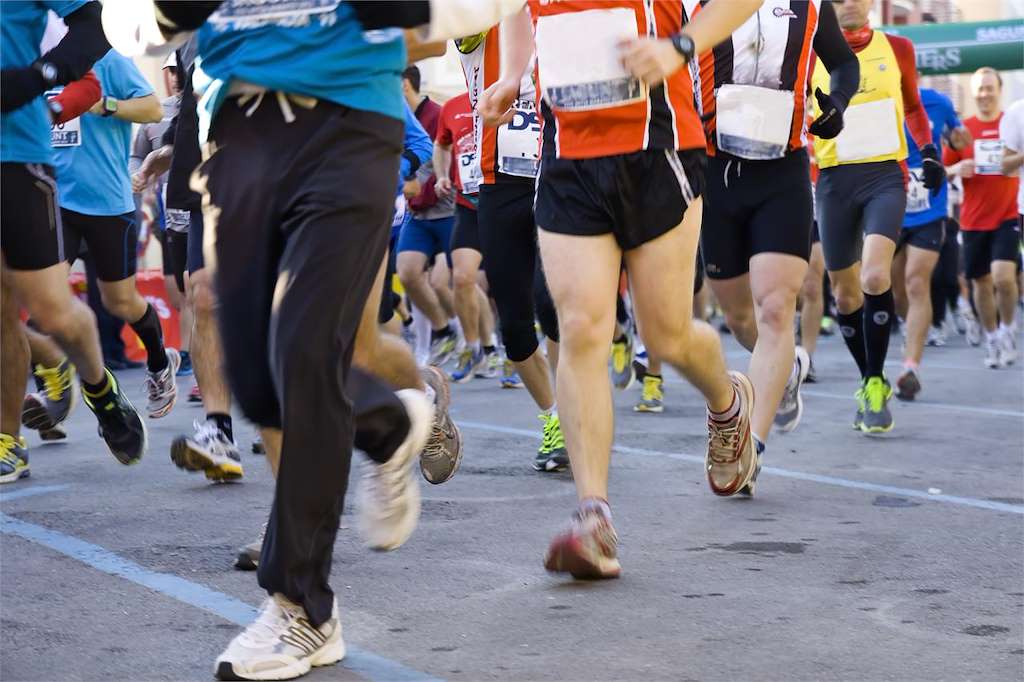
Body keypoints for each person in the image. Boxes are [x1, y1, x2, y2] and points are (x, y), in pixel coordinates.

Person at [480, 0, 763, 579]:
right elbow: (514, 9)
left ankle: (728, 402)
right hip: (568, 158)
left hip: (658, 148)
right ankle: (594, 520)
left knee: (666, 334)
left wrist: (678, 46)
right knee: (582, 327)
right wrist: (512, 74)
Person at [697, 0, 858, 457]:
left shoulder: (810, 5)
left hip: (782, 170)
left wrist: (837, 104)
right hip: (715, 171)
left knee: (774, 310)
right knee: (739, 317)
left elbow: (843, 62)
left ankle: (752, 447)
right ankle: (784, 372)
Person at [2, 0, 147, 479]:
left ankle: (98, 386)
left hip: (17, 157)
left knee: (51, 310)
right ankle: (9, 440)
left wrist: (36, 84)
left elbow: (89, 44)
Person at [811, 0, 942, 434]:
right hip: (832, 181)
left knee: (873, 277)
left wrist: (928, 151)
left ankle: (873, 381)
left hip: (885, 176)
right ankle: (870, 376)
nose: (849, 3)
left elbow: (913, 108)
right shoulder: (809, 50)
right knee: (845, 295)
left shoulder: (898, 47)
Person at [456, 26, 568, 472]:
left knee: (552, 301)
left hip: (555, 174)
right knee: (516, 329)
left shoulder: (553, 15)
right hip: (497, 184)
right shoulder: (480, 24)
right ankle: (553, 416)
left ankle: (576, 413)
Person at [891, 85, 969, 400]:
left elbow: (959, 136)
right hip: (891, 206)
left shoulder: (938, 102)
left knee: (916, 282)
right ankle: (908, 326)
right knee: (895, 289)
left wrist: (961, 139)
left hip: (930, 209)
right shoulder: (878, 99)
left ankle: (911, 366)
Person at [944, 68, 1020, 368]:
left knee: (1003, 277)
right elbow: (942, 167)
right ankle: (991, 338)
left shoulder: (1010, 123)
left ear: (999, 90)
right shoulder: (964, 130)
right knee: (981, 283)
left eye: (990, 88)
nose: (985, 94)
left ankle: (1008, 330)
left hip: (1008, 212)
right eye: (980, 89)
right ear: (974, 94)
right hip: (973, 218)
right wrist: (955, 170)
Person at [434, 89, 501, 381]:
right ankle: (473, 348)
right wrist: (442, 175)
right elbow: (441, 145)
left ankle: (510, 352)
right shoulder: (451, 107)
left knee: (507, 283)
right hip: (467, 205)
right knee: (461, 278)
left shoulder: (508, 92)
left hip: (503, 201)